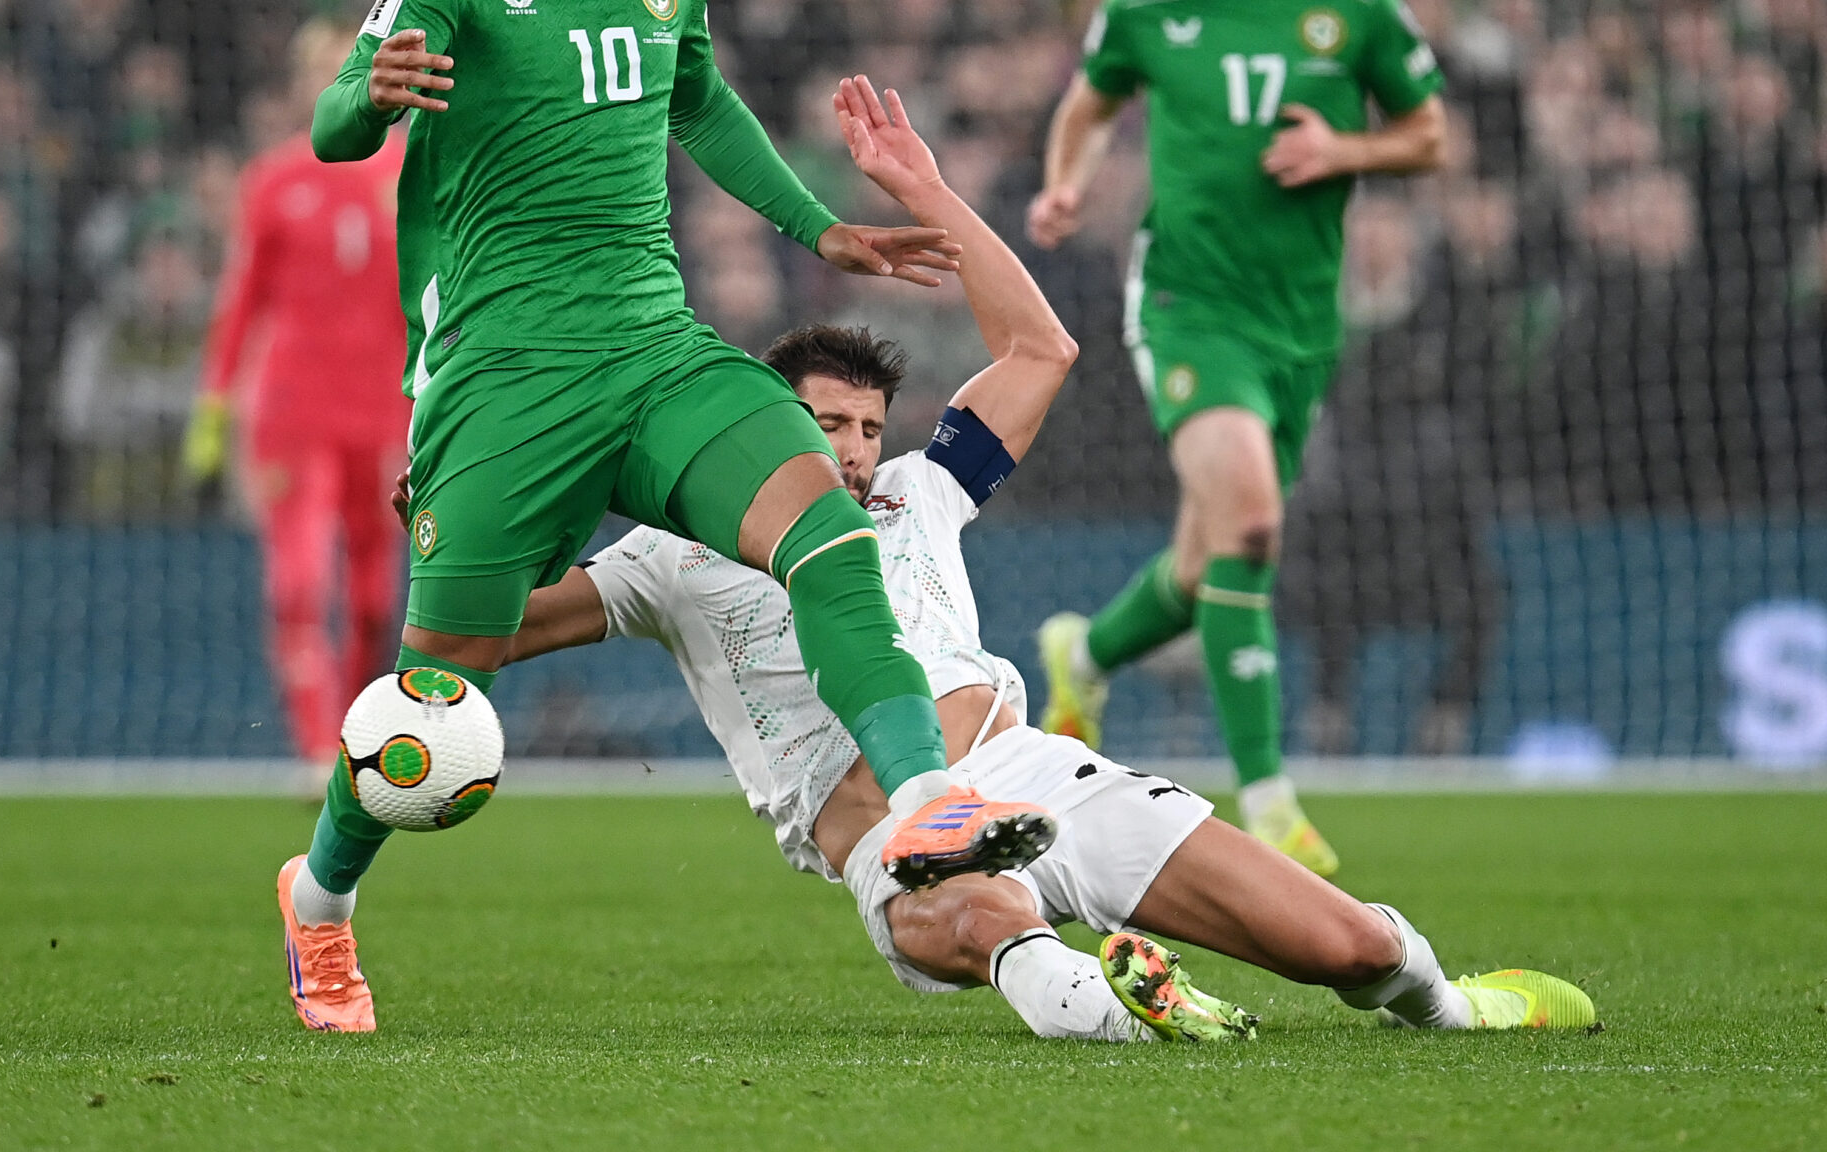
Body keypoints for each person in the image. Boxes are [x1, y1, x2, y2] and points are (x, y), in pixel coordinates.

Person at [484, 79, 1592, 1042]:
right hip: (890, 825)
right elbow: (500, 623)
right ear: (762, 423)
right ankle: (1108, 999)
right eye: (825, 424)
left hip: (1032, 772)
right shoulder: (675, 553)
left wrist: (924, 189)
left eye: (869, 428)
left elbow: (1040, 349)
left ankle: (1451, 1006)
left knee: (1347, 947)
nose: (854, 450)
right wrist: (475, 508)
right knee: (974, 912)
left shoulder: (923, 488)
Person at [275, 0, 1048, 1033]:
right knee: (432, 697)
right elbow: (336, 126)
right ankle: (321, 899)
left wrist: (820, 230)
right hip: (504, 383)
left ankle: (926, 803)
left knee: (830, 533)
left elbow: (700, 102)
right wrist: (369, 92)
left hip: (656, 347)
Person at [1027, 0, 1448, 876]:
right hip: (1186, 305)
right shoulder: (1149, 6)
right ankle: (1267, 795)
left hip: (1303, 323)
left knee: (1205, 557)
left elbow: (1429, 133)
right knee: (1253, 523)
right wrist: (1066, 183)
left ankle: (1085, 653)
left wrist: (1345, 146)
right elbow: (1087, 105)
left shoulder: (1351, 5)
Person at [186, 21, 411, 760]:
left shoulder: (413, 174)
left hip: (387, 414)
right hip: (293, 413)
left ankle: (353, 737)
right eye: (320, 67)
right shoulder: (275, 180)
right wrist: (215, 403)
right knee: (300, 581)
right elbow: (241, 302)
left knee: (378, 600)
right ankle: (317, 750)